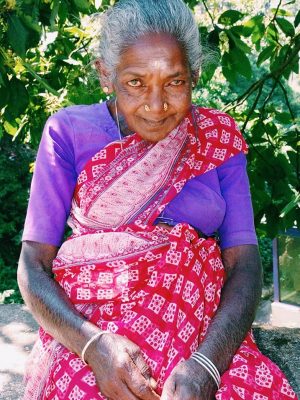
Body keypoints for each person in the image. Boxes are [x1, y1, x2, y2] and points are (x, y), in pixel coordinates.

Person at [18, 1, 297, 399]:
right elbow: (32, 266)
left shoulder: (216, 138)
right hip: (93, 331)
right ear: (105, 74)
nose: (156, 104)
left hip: (205, 334)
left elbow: (244, 263)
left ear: (195, 76)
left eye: (174, 81)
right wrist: (93, 347)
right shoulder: (67, 132)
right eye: (135, 82)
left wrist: (206, 365)